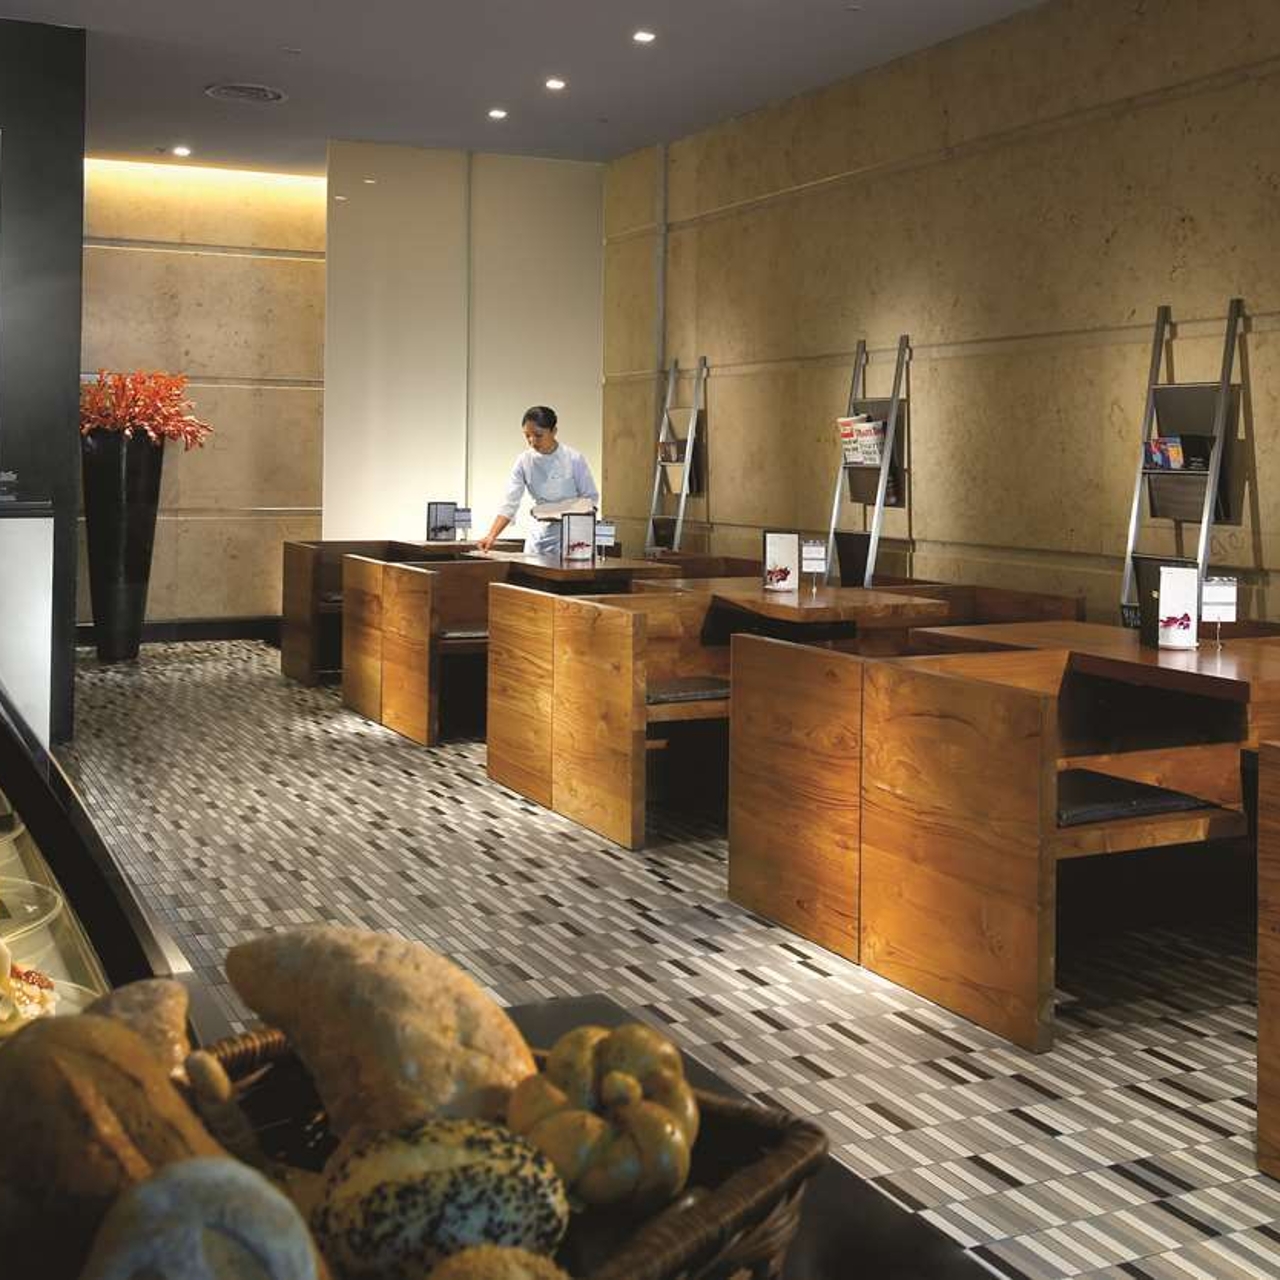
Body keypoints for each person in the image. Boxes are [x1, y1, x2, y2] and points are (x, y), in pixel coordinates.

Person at [478, 406, 599, 556]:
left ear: (554, 431)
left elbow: (590, 499)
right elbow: (509, 503)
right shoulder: (524, 461)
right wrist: (491, 536)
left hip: (573, 534)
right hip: (540, 533)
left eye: (538, 435)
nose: (532, 441)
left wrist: (559, 510)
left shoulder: (573, 458)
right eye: (527, 435)